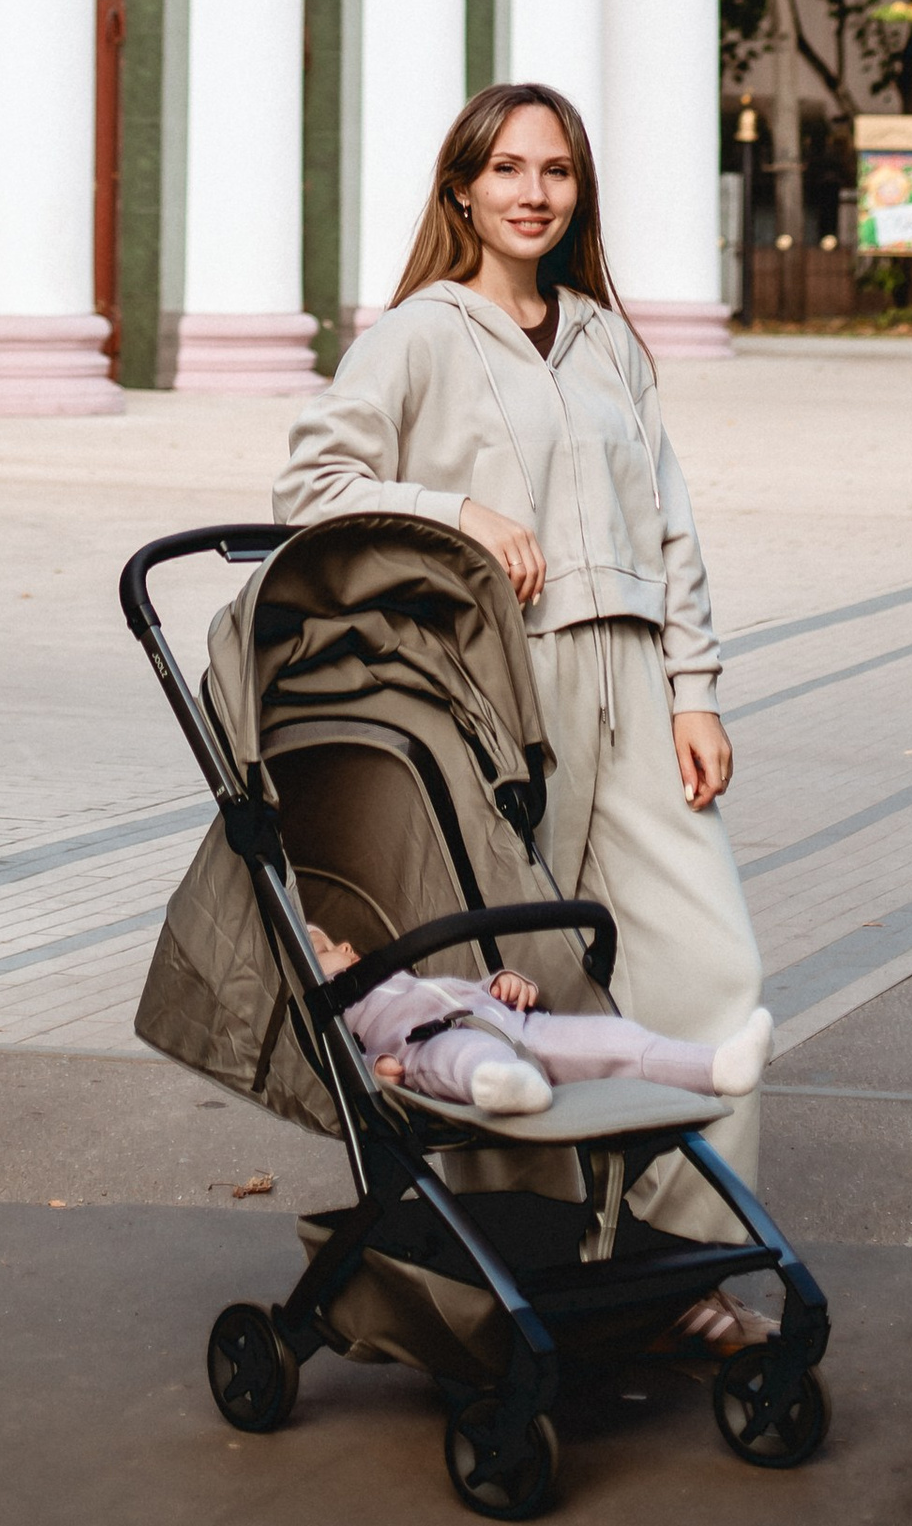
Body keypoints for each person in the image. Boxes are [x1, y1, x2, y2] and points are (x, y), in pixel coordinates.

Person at [275, 79, 772, 1347]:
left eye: (553, 171)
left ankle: (683, 1269)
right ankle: (502, 1285)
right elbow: (312, 485)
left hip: (630, 683)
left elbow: (672, 524)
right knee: (505, 985)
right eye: (505, 170)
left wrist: (695, 689)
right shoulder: (416, 336)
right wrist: (460, 517)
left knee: (708, 969)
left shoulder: (609, 341)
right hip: (494, 695)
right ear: (461, 189)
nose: (532, 192)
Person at [309, 921, 773, 1120]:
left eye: (316, 952)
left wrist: (502, 983)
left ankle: (717, 1066)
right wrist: (378, 1070)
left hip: (506, 1020)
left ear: (348, 951)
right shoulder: (347, 1012)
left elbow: (466, 987)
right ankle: (508, 1084)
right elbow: (358, 1056)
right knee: (465, 1058)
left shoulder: (403, 975)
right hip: (423, 1045)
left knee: (613, 1038)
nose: (311, 969)